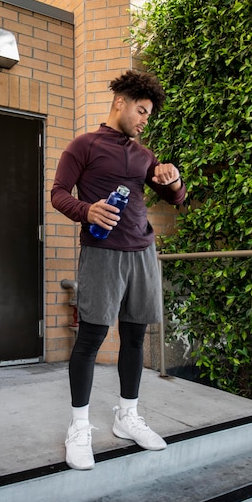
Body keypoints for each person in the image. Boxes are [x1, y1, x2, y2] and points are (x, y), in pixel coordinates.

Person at [51, 70, 186, 471]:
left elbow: (175, 197)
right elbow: (59, 193)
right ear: (120, 103)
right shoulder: (84, 145)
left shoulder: (145, 156)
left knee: (135, 337)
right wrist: (85, 210)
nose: (145, 120)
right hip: (102, 253)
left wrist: (173, 179)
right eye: (141, 111)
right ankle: (79, 427)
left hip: (142, 252)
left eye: (149, 114)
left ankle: (127, 417)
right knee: (90, 338)